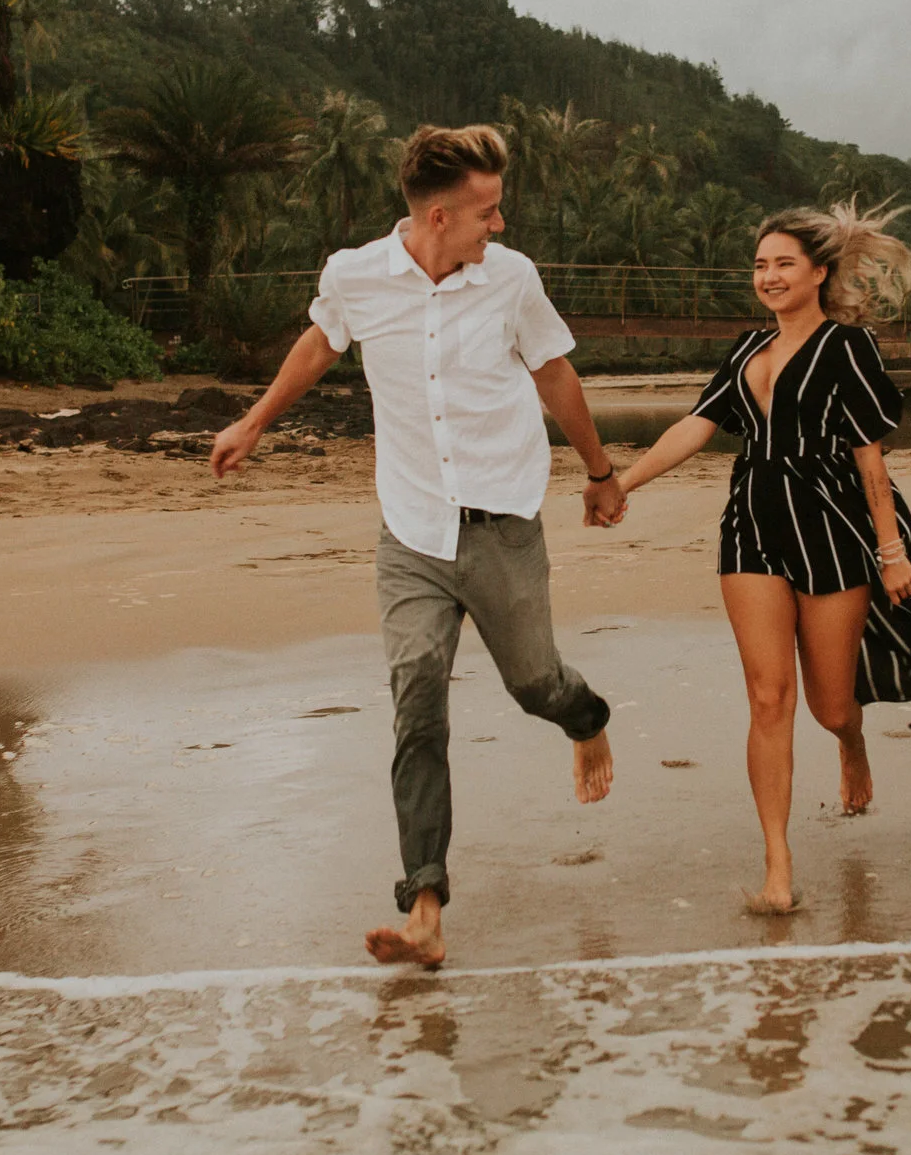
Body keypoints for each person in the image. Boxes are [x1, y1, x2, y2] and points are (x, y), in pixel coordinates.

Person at [208, 123, 627, 970]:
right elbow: (322, 341)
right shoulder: (354, 274)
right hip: (411, 529)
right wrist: (255, 421)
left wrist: (600, 471)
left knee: (534, 684)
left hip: (503, 521)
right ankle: (424, 906)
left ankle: (584, 716)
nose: (499, 225)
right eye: (487, 211)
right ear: (439, 216)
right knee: (417, 703)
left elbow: (553, 372)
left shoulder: (512, 279)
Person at [611, 203, 911, 914]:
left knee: (828, 705)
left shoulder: (847, 347)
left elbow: (870, 459)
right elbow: (697, 425)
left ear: (819, 272)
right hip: (752, 526)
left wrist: (892, 553)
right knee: (769, 699)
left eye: (783, 264)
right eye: (760, 265)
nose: (769, 276)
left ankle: (851, 742)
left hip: (829, 526)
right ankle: (777, 864)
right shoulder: (745, 348)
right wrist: (622, 483)